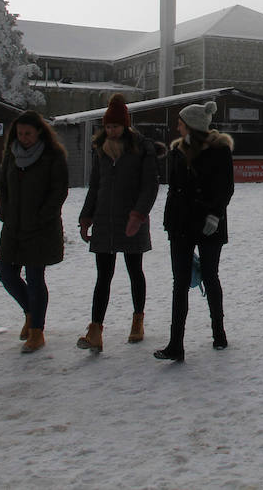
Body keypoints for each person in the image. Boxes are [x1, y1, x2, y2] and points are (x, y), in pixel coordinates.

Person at [76, 94, 161, 352]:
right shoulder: (101, 151)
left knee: (135, 270)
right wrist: (86, 217)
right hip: (104, 221)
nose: (111, 131)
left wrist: (138, 215)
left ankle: (137, 319)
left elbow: (150, 186)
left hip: (131, 220)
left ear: (125, 125)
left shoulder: (141, 148)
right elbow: (95, 186)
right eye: (108, 126)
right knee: (103, 276)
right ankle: (95, 330)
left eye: (115, 126)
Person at [155, 100, 235, 362]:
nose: (176, 126)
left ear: (191, 126)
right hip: (181, 224)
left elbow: (225, 188)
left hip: (208, 223)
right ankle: (176, 344)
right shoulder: (178, 151)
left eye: (180, 122)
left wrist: (214, 214)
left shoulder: (219, 151)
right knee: (180, 283)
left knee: (210, 276)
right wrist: (169, 221)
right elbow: (173, 189)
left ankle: (219, 333)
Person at [0, 110, 70, 354]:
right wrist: (5, 212)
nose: (24, 137)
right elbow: (2, 186)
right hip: (13, 226)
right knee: (6, 274)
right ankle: (30, 311)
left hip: (40, 228)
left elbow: (59, 191)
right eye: (20, 133)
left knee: (35, 278)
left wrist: (41, 216)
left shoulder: (53, 156)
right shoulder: (11, 155)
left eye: (28, 133)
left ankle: (37, 330)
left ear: (39, 132)